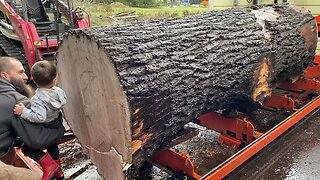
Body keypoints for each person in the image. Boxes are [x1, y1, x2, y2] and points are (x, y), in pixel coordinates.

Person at [0, 57, 65, 180]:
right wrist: (59, 130)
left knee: (11, 152)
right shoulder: (17, 101)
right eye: (20, 72)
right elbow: (37, 140)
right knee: (31, 177)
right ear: (4, 75)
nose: (26, 77)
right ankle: (52, 166)